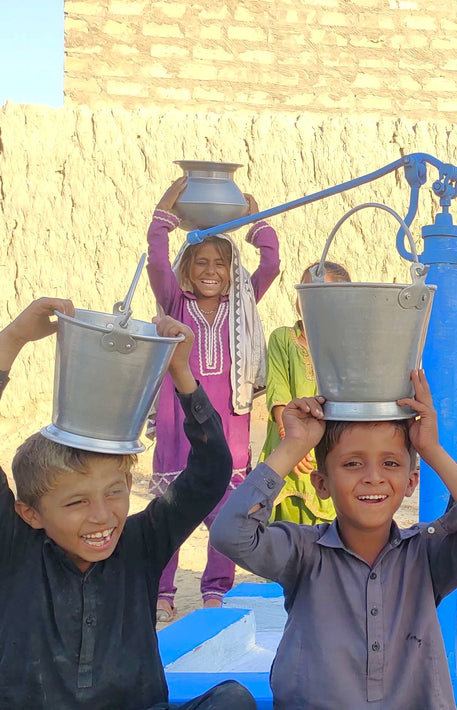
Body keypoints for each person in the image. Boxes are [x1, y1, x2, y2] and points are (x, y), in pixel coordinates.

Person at [0, 297, 255, 710]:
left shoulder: (141, 544)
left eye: (115, 492)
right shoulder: (14, 548)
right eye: (76, 502)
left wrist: (180, 371)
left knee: (233, 700)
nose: (103, 515)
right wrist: (12, 339)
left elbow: (210, 473)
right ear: (30, 513)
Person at [210, 370, 457, 710]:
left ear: (411, 481)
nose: (373, 478)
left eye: (390, 463)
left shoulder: (425, 556)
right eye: (353, 463)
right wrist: (294, 446)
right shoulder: (304, 552)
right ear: (321, 484)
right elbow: (230, 534)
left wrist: (431, 448)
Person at [147, 176, 281, 621]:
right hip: (176, 423)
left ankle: (215, 590)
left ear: (232, 271)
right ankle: (162, 590)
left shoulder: (243, 303)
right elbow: (157, 261)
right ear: (188, 270)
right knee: (171, 509)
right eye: (200, 262)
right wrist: (165, 213)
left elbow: (271, 264)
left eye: (220, 264)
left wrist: (257, 220)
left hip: (228, 423)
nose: (209, 271)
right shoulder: (174, 302)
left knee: (226, 513)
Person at [261, 261, 351, 525]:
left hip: (323, 452)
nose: (315, 302)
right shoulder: (283, 338)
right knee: (284, 532)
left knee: (325, 533)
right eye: (308, 293)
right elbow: (278, 394)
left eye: (326, 296)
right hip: (287, 445)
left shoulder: (347, 347)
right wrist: (293, 441)